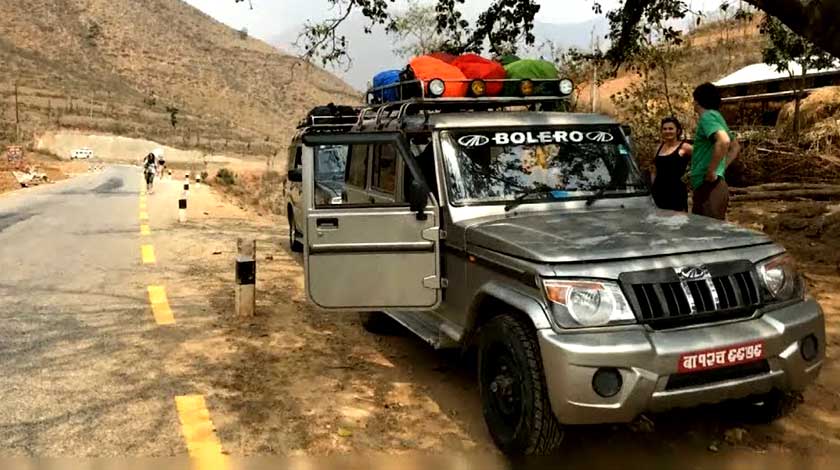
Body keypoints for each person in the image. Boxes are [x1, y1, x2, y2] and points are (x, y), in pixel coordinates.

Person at [690, 82, 740, 220]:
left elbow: (724, 141)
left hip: (709, 186)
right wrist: (721, 168)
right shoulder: (717, 116)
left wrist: (712, 171)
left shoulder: (707, 118)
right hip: (712, 185)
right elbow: (735, 147)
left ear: (697, 101)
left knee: (706, 235)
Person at [651, 117, 693, 212]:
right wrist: (652, 187)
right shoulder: (658, 148)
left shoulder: (685, 147)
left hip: (676, 193)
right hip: (658, 192)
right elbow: (654, 170)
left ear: (677, 131)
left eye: (670, 128)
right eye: (664, 129)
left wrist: (690, 177)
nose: (667, 131)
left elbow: (700, 160)